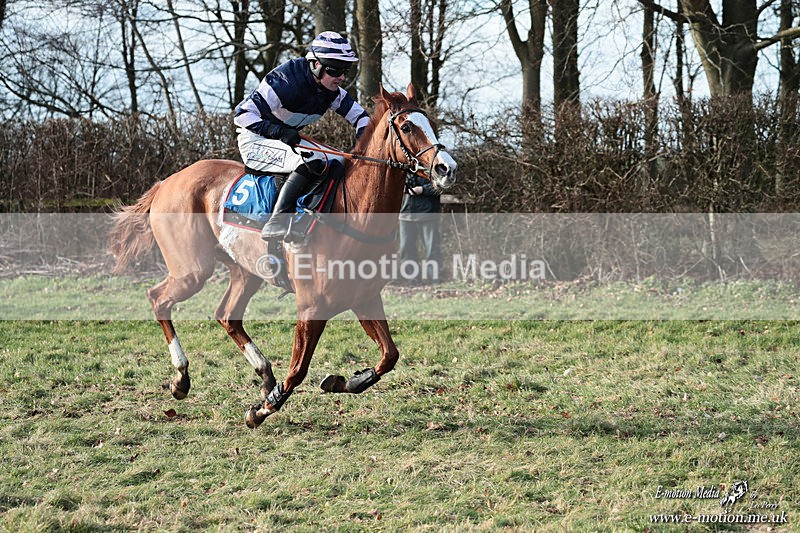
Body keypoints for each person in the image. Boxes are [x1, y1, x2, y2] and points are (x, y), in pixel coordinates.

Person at [234, 31, 370, 241]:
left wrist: (363, 149)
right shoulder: (285, 81)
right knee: (307, 162)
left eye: (345, 70)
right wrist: (277, 131)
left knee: (340, 161)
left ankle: (314, 218)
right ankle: (277, 221)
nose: (341, 77)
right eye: (336, 70)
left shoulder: (330, 90)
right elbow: (242, 114)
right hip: (255, 140)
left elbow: (362, 118)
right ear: (316, 65)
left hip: (285, 140)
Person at [399, 172, 442, 285]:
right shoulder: (402, 164)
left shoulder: (431, 162)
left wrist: (422, 190)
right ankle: (411, 280)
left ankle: (435, 279)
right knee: (406, 249)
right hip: (406, 213)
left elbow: (440, 184)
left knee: (432, 248)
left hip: (428, 213)